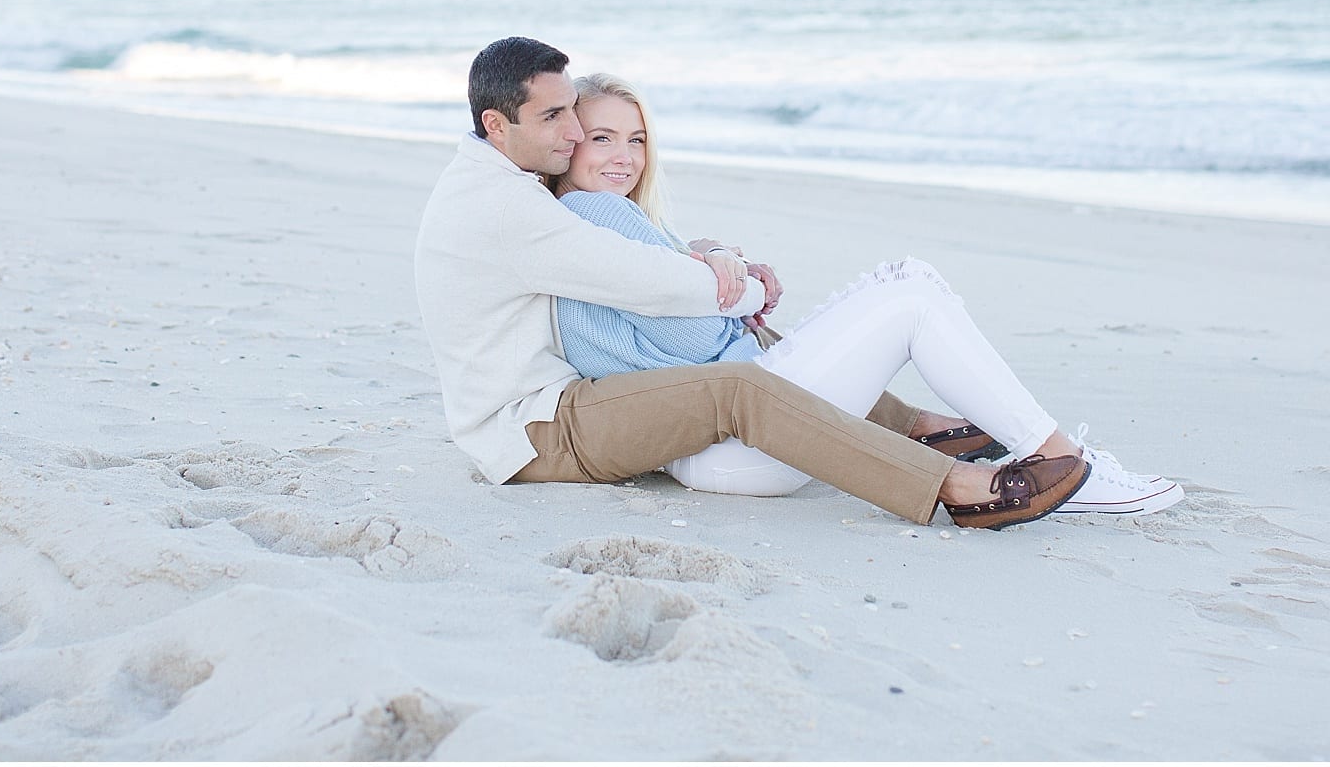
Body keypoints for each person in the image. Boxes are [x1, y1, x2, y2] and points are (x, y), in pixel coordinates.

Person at [417, 36, 1092, 530]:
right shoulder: (513, 208)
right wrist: (741, 291)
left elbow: (637, 260)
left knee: (743, 366)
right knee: (738, 380)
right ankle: (951, 483)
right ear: (495, 126)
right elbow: (646, 282)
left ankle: (920, 428)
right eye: (557, 120)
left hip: (553, 407)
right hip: (532, 428)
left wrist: (707, 252)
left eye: (576, 115)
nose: (573, 134)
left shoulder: (504, 183)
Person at [548, 71, 1184, 515]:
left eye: (636, 139)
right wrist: (727, 283)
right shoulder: (600, 215)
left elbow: (666, 329)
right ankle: (1067, 467)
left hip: (723, 449)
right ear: (570, 143)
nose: (624, 157)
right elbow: (688, 334)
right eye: (602, 138)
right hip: (733, 445)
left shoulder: (590, 227)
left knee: (909, 293)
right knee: (909, 291)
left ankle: (1048, 455)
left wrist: (709, 263)